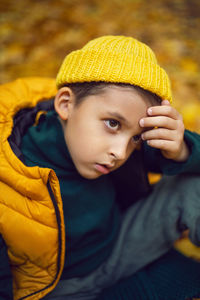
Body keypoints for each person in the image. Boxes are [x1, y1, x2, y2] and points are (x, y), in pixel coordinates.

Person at [0, 35, 200, 300]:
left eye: (136, 137)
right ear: (65, 104)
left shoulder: (116, 146)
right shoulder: (11, 171)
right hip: (54, 290)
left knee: (193, 185)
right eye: (113, 124)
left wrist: (181, 149)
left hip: (118, 245)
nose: (120, 152)